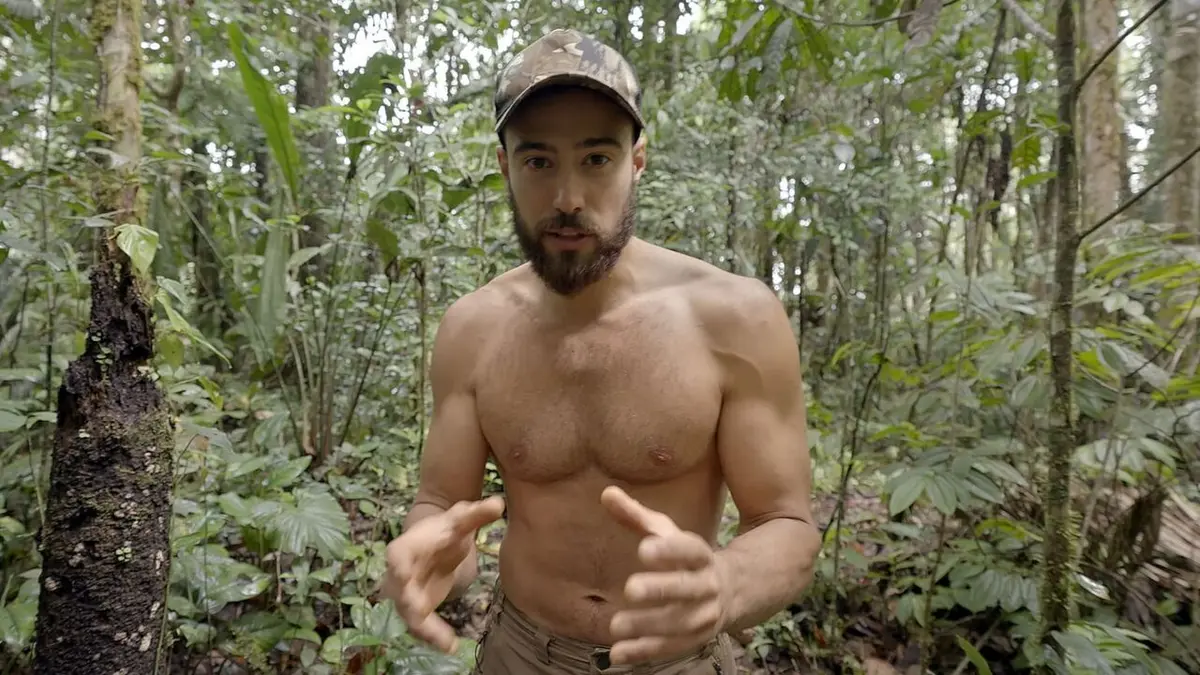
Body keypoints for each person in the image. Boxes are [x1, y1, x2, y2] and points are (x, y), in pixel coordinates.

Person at [381, 27, 821, 675]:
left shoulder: (734, 318)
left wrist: (724, 584)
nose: (567, 199)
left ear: (636, 159)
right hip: (520, 651)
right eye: (538, 161)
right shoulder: (472, 329)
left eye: (596, 159)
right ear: (505, 165)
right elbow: (444, 505)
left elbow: (787, 521)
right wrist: (431, 553)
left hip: (678, 660)